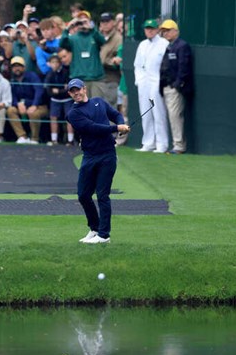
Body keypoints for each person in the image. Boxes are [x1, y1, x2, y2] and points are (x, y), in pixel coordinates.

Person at [65, 79, 130, 245]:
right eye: (73, 91)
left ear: (84, 89)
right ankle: (94, 228)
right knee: (83, 195)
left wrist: (121, 124)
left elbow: (115, 114)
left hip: (107, 154)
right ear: (70, 94)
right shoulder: (73, 114)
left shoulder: (98, 102)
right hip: (89, 155)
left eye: (78, 89)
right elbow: (93, 128)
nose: (76, 93)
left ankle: (104, 234)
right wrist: (117, 128)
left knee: (102, 195)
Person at [133, 19, 170, 153]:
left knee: (158, 113)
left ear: (157, 29)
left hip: (157, 82)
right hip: (144, 83)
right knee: (145, 113)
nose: (149, 30)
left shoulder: (164, 44)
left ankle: (162, 144)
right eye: (147, 28)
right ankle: (148, 143)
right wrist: (139, 81)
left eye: (152, 28)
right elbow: (137, 65)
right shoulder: (142, 44)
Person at [158, 19, 193, 154]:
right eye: (163, 31)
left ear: (175, 31)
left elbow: (184, 67)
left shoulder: (182, 46)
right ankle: (176, 144)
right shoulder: (169, 46)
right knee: (171, 116)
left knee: (175, 116)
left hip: (174, 87)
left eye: (167, 31)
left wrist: (177, 84)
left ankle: (178, 146)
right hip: (166, 86)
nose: (165, 33)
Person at [6, 56, 46, 144]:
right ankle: (22, 136)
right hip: (22, 105)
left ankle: (34, 139)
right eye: (14, 66)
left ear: (24, 67)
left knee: (33, 113)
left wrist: (34, 105)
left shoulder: (32, 76)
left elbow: (39, 91)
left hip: (39, 105)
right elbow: (11, 95)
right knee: (10, 110)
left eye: (19, 66)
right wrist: (17, 104)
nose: (17, 68)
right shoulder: (12, 80)